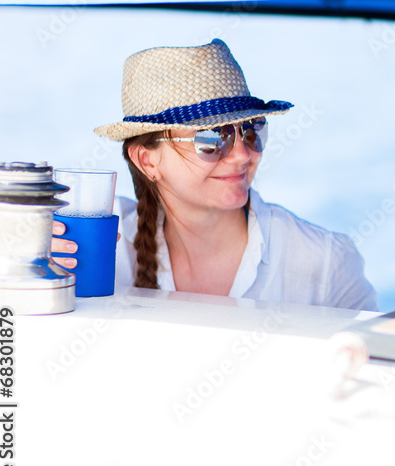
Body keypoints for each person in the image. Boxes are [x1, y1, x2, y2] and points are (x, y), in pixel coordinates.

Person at [64, 38, 376, 309]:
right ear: (147, 161)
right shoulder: (97, 242)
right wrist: (37, 268)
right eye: (212, 138)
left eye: (251, 131)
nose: (242, 155)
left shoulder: (326, 263)